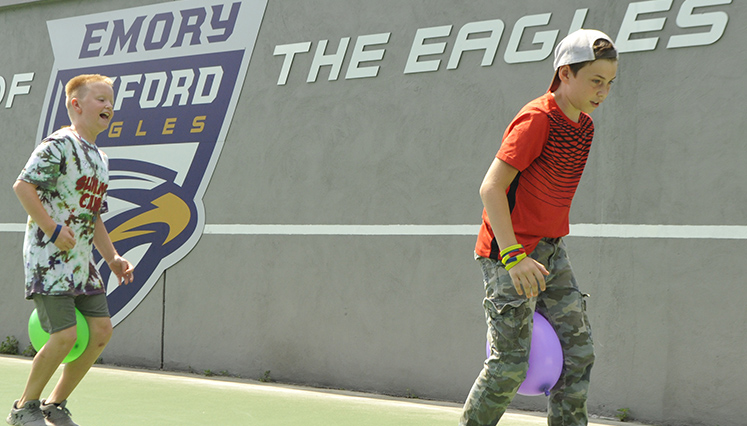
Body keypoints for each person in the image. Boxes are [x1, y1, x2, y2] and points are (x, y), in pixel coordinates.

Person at [460, 29, 619, 426]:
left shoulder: (584, 126)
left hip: (549, 251)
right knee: (510, 365)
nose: (603, 91)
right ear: (565, 74)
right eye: (595, 81)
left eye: (610, 83)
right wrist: (514, 257)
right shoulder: (537, 119)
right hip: (507, 254)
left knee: (578, 354)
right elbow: (491, 188)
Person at [7, 74, 134, 426]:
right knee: (65, 336)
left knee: (101, 332)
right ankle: (23, 408)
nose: (108, 106)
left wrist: (113, 258)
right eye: (100, 99)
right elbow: (23, 186)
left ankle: (54, 405)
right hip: (49, 259)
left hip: (82, 263)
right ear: (76, 105)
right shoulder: (58, 144)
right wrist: (51, 227)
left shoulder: (100, 157)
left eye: (111, 100)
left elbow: (93, 216)